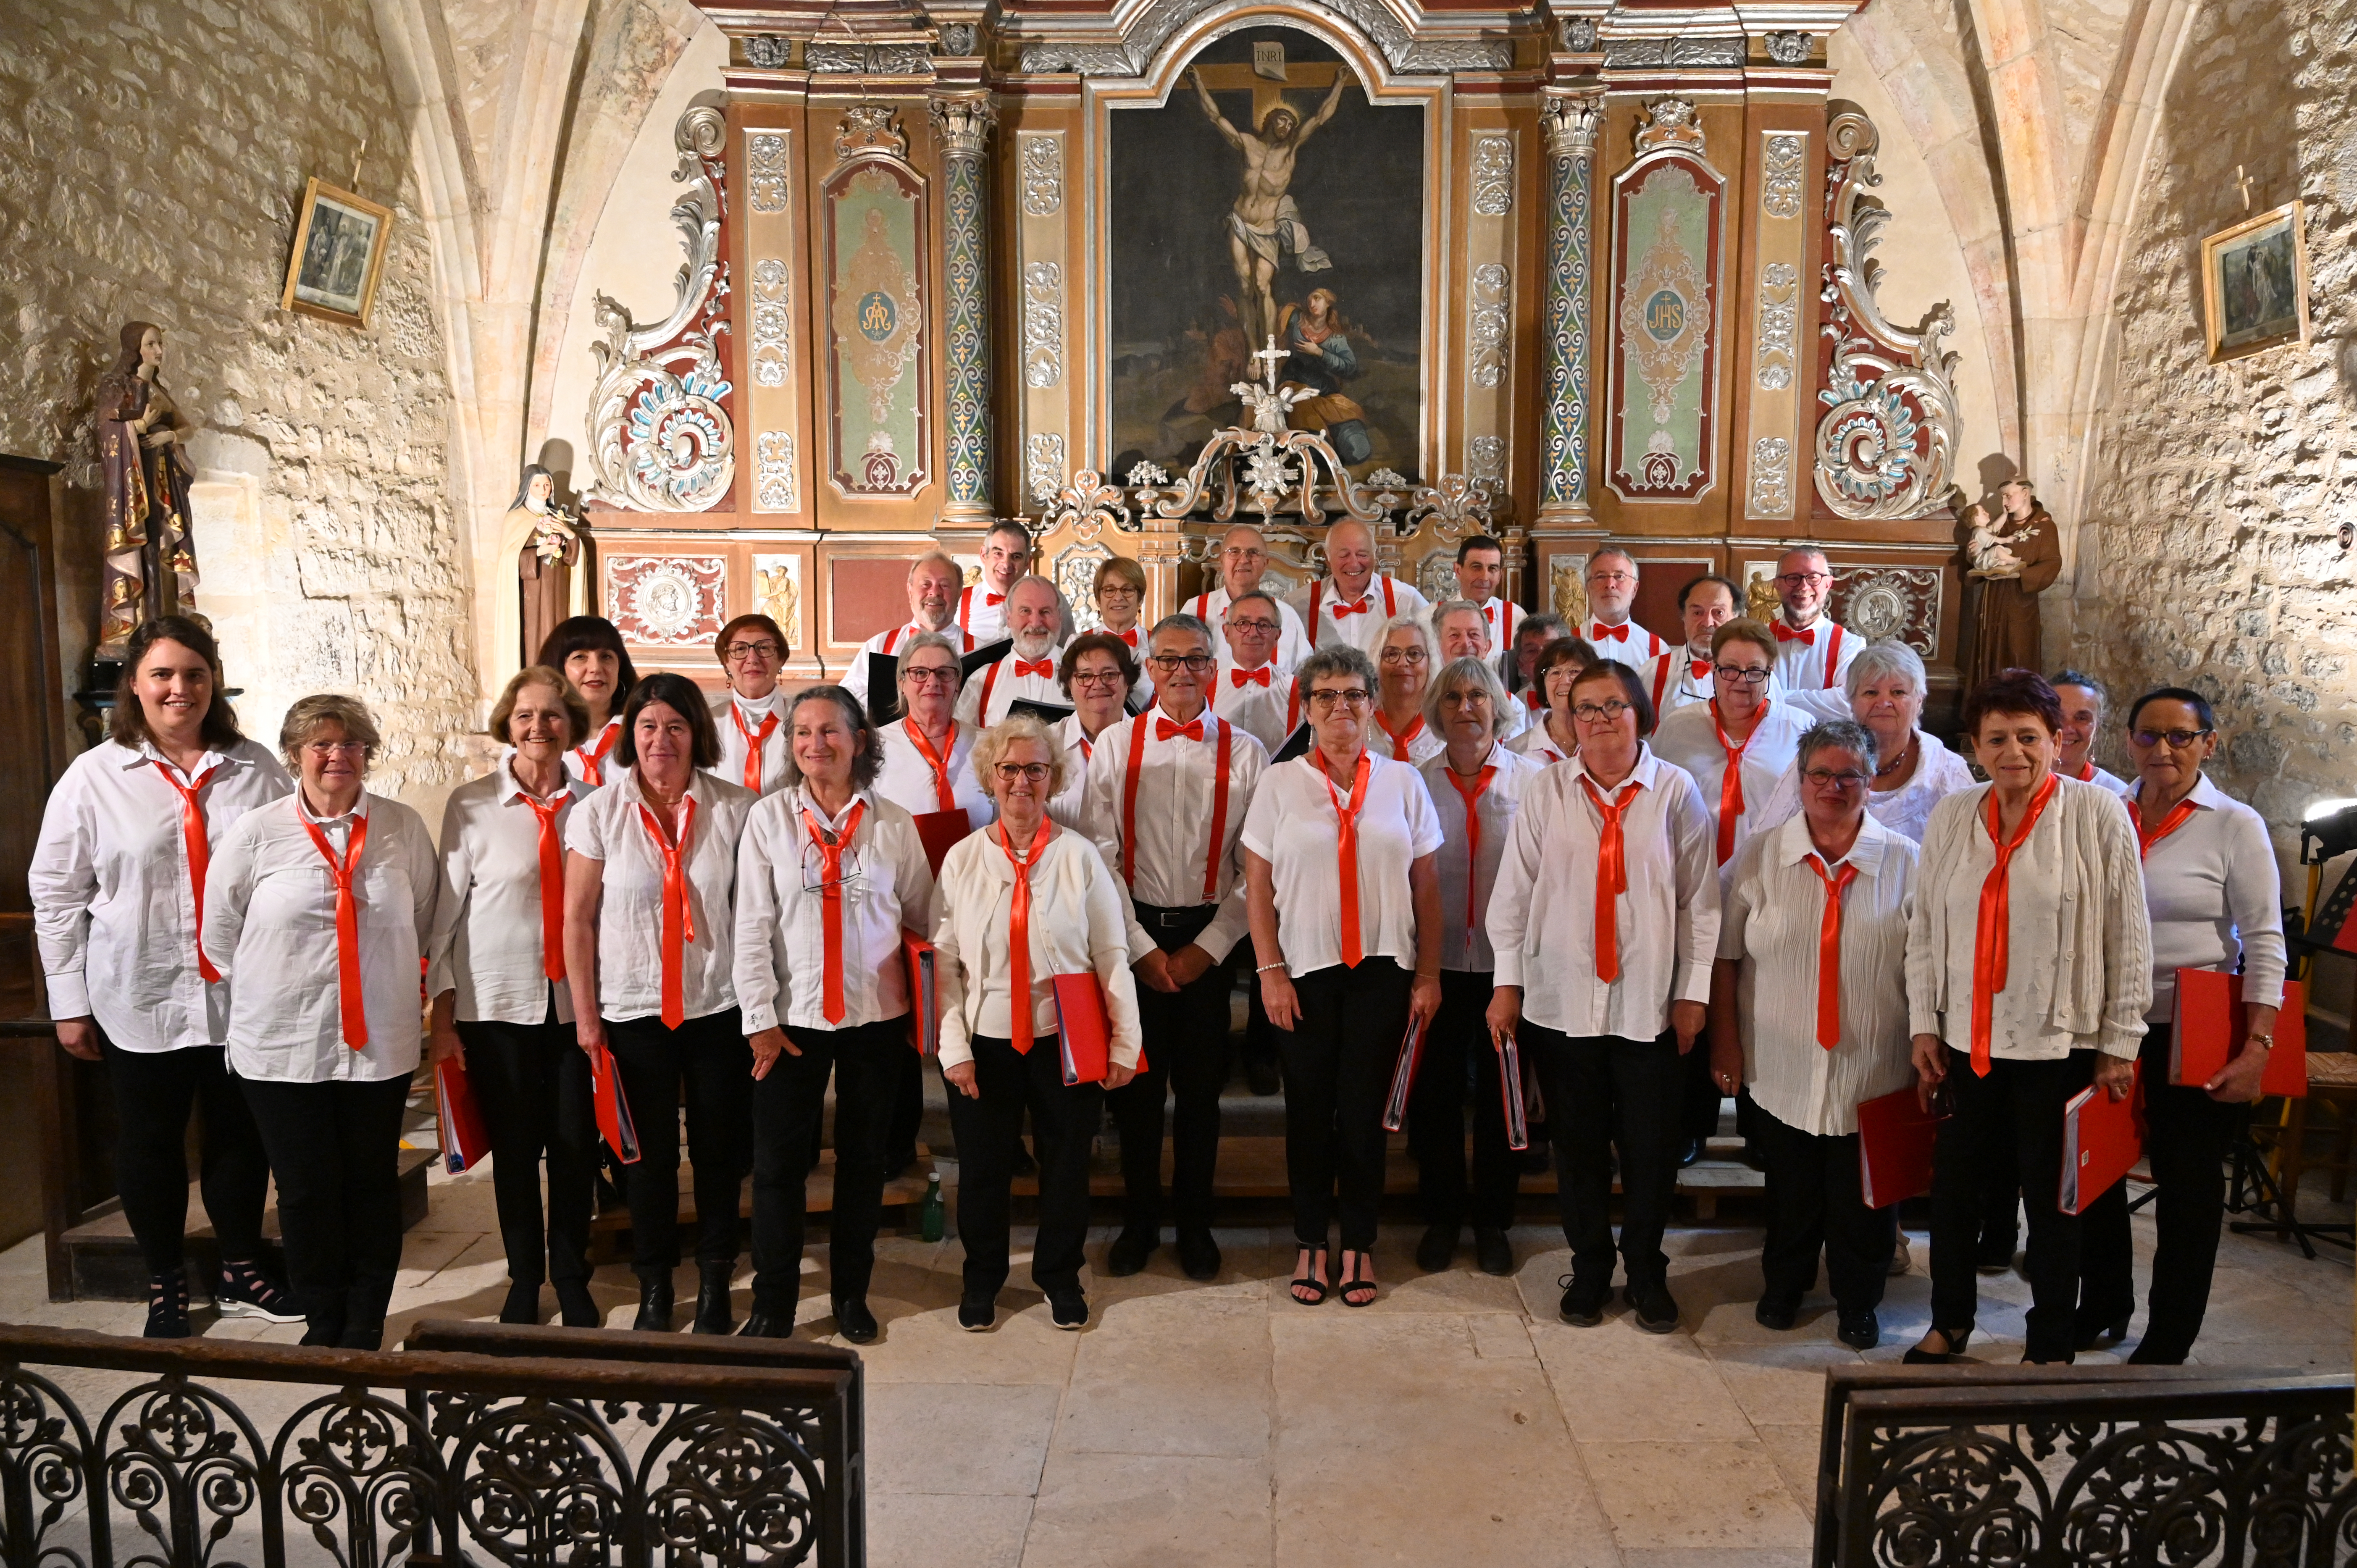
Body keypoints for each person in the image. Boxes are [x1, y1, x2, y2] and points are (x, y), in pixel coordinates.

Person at [30, 617, 298, 1338]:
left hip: (242, 993)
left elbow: (290, 869)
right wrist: (69, 1002)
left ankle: (242, 1268)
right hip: (138, 992)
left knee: (240, 1135)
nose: (180, 688)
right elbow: (56, 894)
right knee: (149, 1140)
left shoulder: (256, 769)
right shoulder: (94, 777)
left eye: (194, 674)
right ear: (136, 687)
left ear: (214, 681)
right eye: (163, 675)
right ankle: (165, 1279)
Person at [1902, 670, 2151, 1365]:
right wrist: (1924, 1022)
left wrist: (2120, 1041)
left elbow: (2128, 935)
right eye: (1997, 738)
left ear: (2059, 739)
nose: (2013, 750)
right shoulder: (1955, 814)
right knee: (1954, 1196)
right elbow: (1925, 928)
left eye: (2028, 736)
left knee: (2051, 1202)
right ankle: (1949, 1321)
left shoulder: (2098, 814)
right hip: (1965, 1040)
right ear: (1975, 746)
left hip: (2058, 1044)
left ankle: (2048, 1336)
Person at [202, 695, 439, 1350]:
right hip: (282, 1042)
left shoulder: (400, 826)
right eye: (321, 745)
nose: (337, 756)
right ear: (295, 755)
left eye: (351, 744)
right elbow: (219, 936)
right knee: (305, 1189)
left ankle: (366, 1312)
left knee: (370, 1183)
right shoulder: (257, 832)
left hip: (377, 1042)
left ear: (368, 753)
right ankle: (322, 1313)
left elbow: (421, 918)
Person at [1487, 660, 1718, 1334]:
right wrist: (1507, 984)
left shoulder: (1675, 792)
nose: (1597, 720)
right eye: (1583, 708)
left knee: (1648, 1148)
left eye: (1611, 706)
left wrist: (1692, 993)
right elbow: (1515, 892)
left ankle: (1645, 1268)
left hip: (1647, 1002)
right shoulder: (1546, 791)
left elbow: (1700, 904)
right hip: (1562, 1001)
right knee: (1579, 1146)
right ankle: (1590, 1265)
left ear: (1638, 713)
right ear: (1565, 719)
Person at [2075, 688, 2285, 1364]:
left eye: (2179, 736)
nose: (2161, 749)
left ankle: (2168, 1337)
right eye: (2146, 736)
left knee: (2187, 1191)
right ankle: (2102, 1303)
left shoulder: (2233, 824)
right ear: (2127, 741)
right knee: (2096, 1178)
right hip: (2101, 1025)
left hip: (2186, 1029)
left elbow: (2263, 940)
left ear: (2207, 743)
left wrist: (2257, 1044)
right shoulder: (2103, 809)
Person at [733, 686, 935, 1345]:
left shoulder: (894, 823)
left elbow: (923, 918)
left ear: (859, 741)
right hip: (788, 1022)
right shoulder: (767, 820)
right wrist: (759, 1016)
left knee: (862, 1162)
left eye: (830, 731)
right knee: (777, 1167)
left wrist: (930, 1013)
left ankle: (851, 1293)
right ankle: (775, 1302)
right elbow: (751, 927)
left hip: (874, 1020)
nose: (815, 744)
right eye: (801, 734)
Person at [1243, 645, 1444, 1309]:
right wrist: (1269, 972)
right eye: (1325, 696)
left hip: (1383, 971)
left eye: (1353, 695)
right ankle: (1308, 1238)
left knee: (1363, 1117)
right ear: (1305, 709)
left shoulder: (1401, 783)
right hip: (1302, 973)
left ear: (1371, 706)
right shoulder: (1279, 784)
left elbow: (1427, 889)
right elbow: (1257, 885)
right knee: (1306, 1114)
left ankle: (1357, 1240)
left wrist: (1429, 976)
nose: (1340, 708)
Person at [1709, 720, 1919, 1350]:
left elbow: (1929, 966)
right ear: (1798, 781)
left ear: (1870, 780)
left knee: (1864, 1201)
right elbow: (1724, 957)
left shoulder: (1905, 861)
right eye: (1819, 775)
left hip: (1874, 1065)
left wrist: (1925, 1042)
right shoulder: (1761, 854)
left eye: (1848, 775)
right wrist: (1726, 1042)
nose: (1833, 787)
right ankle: (1784, 1286)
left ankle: (1858, 1300)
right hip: (1781, 1063)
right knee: (1791, 1192)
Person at [563, 673, 758, 1335]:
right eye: (647, 726)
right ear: (628, 735)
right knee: (642, 1158)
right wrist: (587, 1017)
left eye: (675, 726)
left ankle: (713, 1279)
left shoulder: (736, 808)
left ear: (695, 735)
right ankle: (653, 1282)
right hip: (633, 1005)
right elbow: (578, 919)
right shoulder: (597, 812)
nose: (660, 739)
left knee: (718, 1152)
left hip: (716, 1005)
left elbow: (755, 916)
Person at [935, 715, 1143, 1330]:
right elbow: (944, 964)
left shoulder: (1079, 858)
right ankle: (982, 1280)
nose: (1020, 781)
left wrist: (1125, 1040)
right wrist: (953, 1049)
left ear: (1051, 778)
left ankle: (1058, 1275)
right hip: (985, 1041)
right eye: (1009, 769)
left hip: (1064, 1039)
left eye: (1034, 769)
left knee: (1066, 1167)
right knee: (981, 1172)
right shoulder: (963, 858)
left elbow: (1110, 954)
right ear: (989, 777)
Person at [1084, 615, 1268, 1281]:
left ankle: (1194, 1224)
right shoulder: (1113, 745)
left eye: (1196, 660)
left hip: (1206, 939)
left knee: (1198, 1095)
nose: (1183, 672)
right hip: (1131, 934)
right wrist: (1136, 948)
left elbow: (1255, 866)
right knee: (1135, 1091)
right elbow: (1098, 856)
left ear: (1212, 667)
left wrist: (1209, 948)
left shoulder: (1247, 753)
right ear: (1149, 669)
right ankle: (1139, 1222)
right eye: (1169, 660)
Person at [426, 668, 600, 1328]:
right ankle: (525, 1277)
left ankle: (574, 1274)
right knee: (517, 1151)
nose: (539, 728)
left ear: (570, 726)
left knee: (576, 1146)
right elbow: (444, 918)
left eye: (553, 716)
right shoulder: (471, 806)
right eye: (526, 716)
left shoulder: (594, 805)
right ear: (508, 724)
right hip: (494, 1005)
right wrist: (442, 1020)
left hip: (574, 1007)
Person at [1412, 656, 1541, 1277]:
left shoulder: (1531, 781)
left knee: (1500, 1099)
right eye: (1453, 697)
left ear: (1497, 707)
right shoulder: (1415, 781)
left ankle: (1492, 1220)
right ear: (1436, 710)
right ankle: (1441, 1217)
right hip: (1435, 966)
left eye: (1477, 696)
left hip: (1504, 969)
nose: (1465, 707)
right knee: (1434, 1098)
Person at [1755, 643, 1976, 846]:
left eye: (1898, 692)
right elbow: (1766, 838)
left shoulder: (1949, 772)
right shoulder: (1818, 757)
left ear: (1919, 701)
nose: (1884, 703)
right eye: (1871, 692)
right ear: (1851, 701)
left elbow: (1969, 857)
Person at [1652, 620, 1813, 870]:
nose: (1742, 680)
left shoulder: (1799, 729)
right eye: (1730, 669)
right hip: (1692, 873)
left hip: (1772, 874)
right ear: (1714, 668)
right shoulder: (1678, 727)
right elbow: (1655, 803)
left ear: (1770, 671)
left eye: (1754, 670)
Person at [876, 631, 999, 840]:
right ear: (902, 683)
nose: (932, 681)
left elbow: (1002, 821)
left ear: (958, 683)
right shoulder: (876, 746)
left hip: (973, 870)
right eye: (920, 673)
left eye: (944, 673)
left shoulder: (988, 744)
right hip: (903, 871)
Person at [843, 552, 975, 718]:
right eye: (926, 584)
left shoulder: (982, 649)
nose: (935, 593)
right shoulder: (879, 647)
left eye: (945, 585)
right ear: (910, 590)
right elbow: (848, 701)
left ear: (959, 593)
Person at [1963, 478, 2060, 691]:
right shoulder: (1999, 525)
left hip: (2019, 602)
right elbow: (1979, 556)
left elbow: (2052, 563)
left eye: (2009, 495)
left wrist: (2020, 575)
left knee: (2018, 654)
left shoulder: (2044, 526)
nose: (2005, 502)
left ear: (2025, 493)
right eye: (2003, 497)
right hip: (1992, 600)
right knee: (1988, 657)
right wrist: (1972, 555)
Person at [1289, 519, 1431, 660]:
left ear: (1375, 556)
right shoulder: (1298, 605)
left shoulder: (1405, 600)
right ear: (1328, 558)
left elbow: (1433, 654)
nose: (1354, 563)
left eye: (1362, 555)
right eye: (1344, 555)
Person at [1190, 524, 1313, 668]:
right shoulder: (1194, 610)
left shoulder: (1287, 616)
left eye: (1253, 553)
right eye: (1234, 552)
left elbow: (1305, 676)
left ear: (1266, 563)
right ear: (1221, 560)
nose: (1243, 560)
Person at [1049, 632, 1138, 827]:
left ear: (1127, 681)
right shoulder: (1046, 744)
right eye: (1085, 676)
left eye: (1109, 675)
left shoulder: (1151, 743)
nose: (1098, 684)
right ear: (1069, 685)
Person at [957, 576, 1070, 729]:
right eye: (1026, 611)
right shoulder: (981, 681)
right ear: (1009, 618)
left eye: (1045, 612)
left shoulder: (1084, 677)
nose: (1036, 623)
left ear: (1060, 618)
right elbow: (961, 743)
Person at [538, 615, 637, 786]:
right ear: (558, 670)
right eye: (580, 657)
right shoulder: (536, 736)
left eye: (606, 657)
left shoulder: (642, 733)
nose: (596, 668)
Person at [709, 613, 793, 796]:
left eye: (764, 648)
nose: (753, 658)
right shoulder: (708, 724)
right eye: (740, 649)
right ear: (726, 662)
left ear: (781, 659)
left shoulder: (802, 719)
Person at [1640, 574, 1741, 717]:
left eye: (1719, 613)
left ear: (1735, 616)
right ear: (1684, 616)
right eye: (1697, 613)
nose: (1707, 623)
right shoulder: (1651, 673)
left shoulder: (1757, 676)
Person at [1766, 548, 1860, 693]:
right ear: (1777, 584)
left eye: (1813, 578)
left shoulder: (1850, 646)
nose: (1804, 586)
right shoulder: (1755, 641)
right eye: (1793, 578)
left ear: (1828, 584)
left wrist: (1768, 701)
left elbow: (1847, 704)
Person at [1214, 590, 1297, 754]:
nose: (1253, 633)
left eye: (1264, 625)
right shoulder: (1205, 687)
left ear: (1277, 636)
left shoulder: (1297, 690)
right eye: (1243, 623)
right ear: (1227, 633)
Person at [1433, 599, 1526, 741]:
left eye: (1474, 635)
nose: (1465, 643)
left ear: (1487, 647)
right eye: (1454, 635)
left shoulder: (1512, 707)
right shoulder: (1425, 702)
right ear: (1437, 646)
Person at [1505, 636, 1597, 765]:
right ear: (1544, 683)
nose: (1565, 680)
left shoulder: (1606, 741)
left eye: (1574, 671)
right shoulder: (1517, 751)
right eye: (1555, 673)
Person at [1369, 613, 1446, 764]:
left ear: (1430, 663)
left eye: (1414, 654)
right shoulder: (1362, 720)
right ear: (1377, 662)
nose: (1403, 663)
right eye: (1391, 654)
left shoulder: (1446, 722)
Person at [1577, 547, 1670, 660]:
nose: (1610, 584)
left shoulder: (1658, 651)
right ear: (1588, 588)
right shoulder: (1567, 644)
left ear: (1635, 589)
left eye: (1619, 576)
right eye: (1601, 577)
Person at [959, 520, 1037, 647]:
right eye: (998, 554)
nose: (1006, 564)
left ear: (1028, 562)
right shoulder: (959, 603)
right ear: (984, 555)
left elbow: (1067, 654)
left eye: (1016, 557)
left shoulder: (1048, 602)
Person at [2050, 670, 2129, 793]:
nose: (2068, 728)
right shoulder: (2016, 787)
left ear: (2097, 727)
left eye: (2081, 718)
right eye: (2058, 716)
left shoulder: (2117, 795)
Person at [1451, 535, 1523, 669]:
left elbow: (1527, 678)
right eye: (1477, 567)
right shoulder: (1430, 617)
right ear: (1458, 570)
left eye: (1492, 569)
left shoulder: (1516, 617)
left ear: (1500, 575)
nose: (1485, 577)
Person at [1505, 612, 1569, 715]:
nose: (1542, 657)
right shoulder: (1514, 708)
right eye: (1531, 651)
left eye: (1550, 647)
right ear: (1521, 664)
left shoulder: (1585, 698)